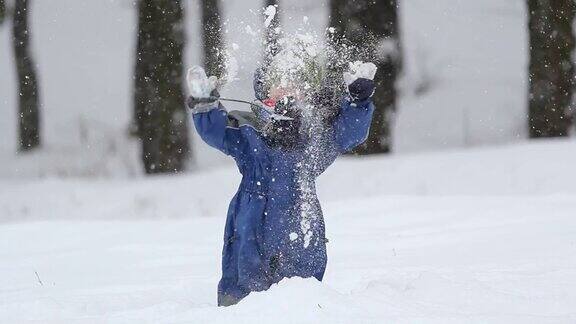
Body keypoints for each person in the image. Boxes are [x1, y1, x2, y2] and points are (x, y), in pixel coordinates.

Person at [187, 61, 377, 306]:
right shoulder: (249, 132)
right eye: (278, 85)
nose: (286, 91)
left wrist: (357, 102)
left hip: (298, 221)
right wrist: (205, 104)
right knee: (244, 284)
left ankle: (303, 304)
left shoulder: (313, 139)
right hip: (252, 222)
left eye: (295, 86)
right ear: (263, 94)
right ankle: (235, 305)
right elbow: (217, 133)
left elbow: (348, 134)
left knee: (299, 290)